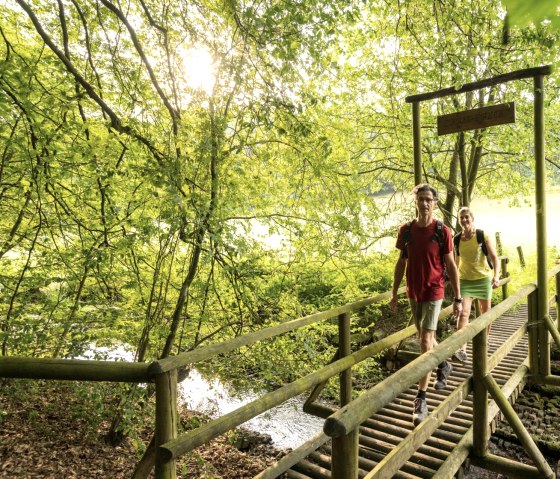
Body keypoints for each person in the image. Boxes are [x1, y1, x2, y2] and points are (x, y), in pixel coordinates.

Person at [390, 184, 463, 427]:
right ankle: (443, 362)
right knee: (425, 337)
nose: (424, 204)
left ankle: (421, 399)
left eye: (428, 200)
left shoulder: (443, 231)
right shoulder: (406, 230)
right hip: (413, 290)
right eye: (420, 199)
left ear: (434, 203)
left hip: (435, 289)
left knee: (424, 341)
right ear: (415, 202)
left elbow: (451, 265)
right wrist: (393, 293)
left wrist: (459, 298)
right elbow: (401, 263)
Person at [452, 206, 501, 362]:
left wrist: (496, 276)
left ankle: (484, 342)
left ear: (472, 218)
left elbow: (494, 258)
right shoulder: (457, 239)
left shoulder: (481, 235)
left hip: (482, 279)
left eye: (467, 217)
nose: (465, 220)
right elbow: (456, 261)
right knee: (463, 313)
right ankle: (461, 348)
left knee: (486, 312)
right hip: (465, 280)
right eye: (462, 218)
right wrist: (454, 280)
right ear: (459, 221)